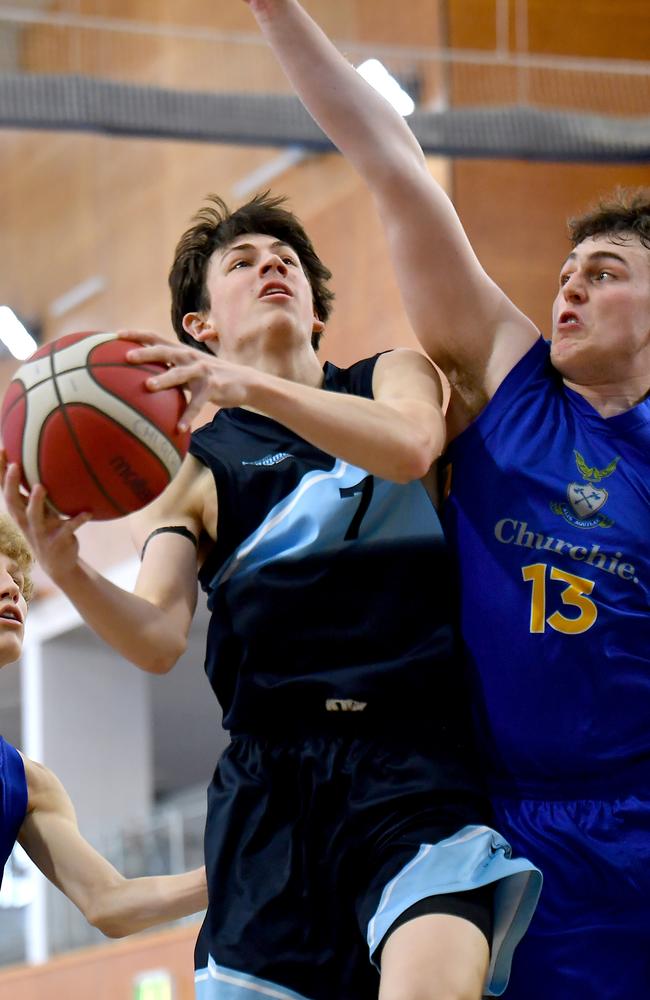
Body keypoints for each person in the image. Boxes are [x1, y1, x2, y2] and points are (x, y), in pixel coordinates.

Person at [2, 191, 540, 1000]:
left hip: (412, 765)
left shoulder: (389, 378)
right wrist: (68, 568)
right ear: (199, 327)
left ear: (320, 315)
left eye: (286, 259)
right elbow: (155, 640)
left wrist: (243, 389)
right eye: (243, 263)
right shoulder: (195, 475)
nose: (273, 266)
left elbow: (410, 447)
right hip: (267, 793)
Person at [238, 2, 650, 998]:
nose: (567, 290)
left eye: (602, 274)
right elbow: (386, 157)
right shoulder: (508, 383)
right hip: (500, 815)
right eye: (564, 273)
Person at [0, 515, 208, 940]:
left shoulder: (28, 783)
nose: (12, 591)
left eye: (17, 579)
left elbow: (109, 902)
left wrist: (244, 866)